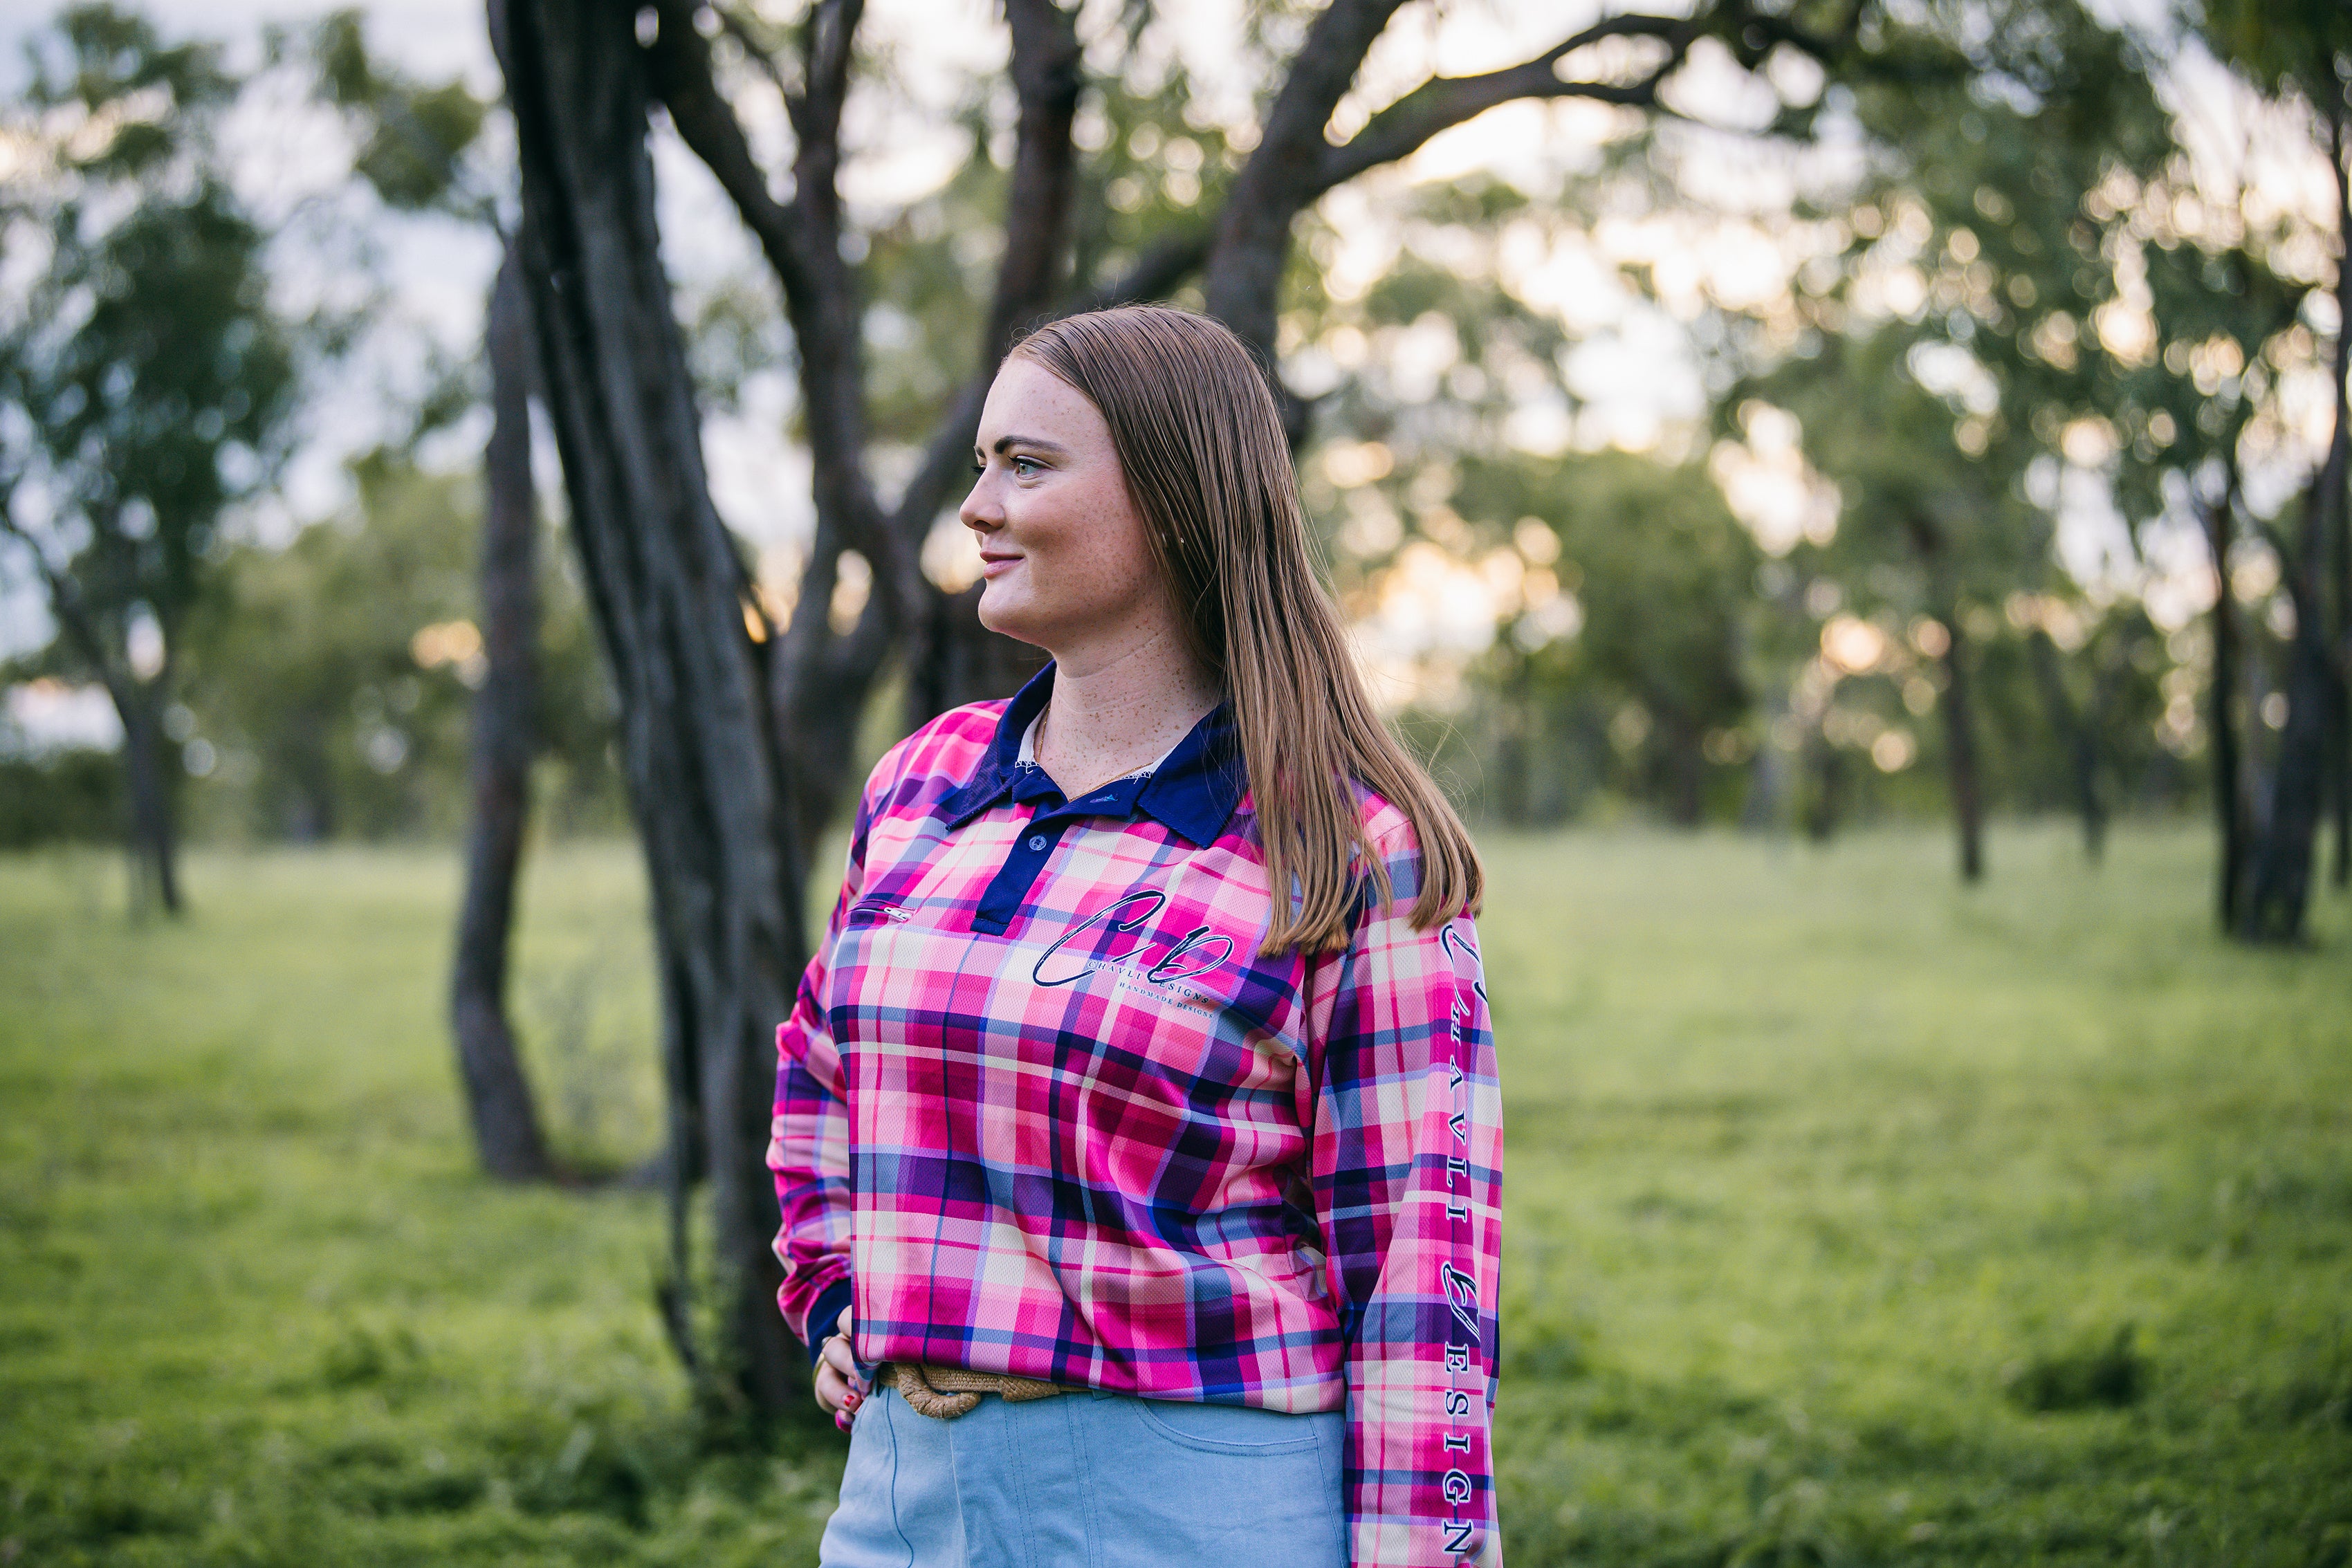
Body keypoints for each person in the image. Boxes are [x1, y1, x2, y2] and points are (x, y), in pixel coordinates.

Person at [769, 305, 1503, 1568]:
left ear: (1170, 500)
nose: (978, 507)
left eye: (1028, 465)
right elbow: (820, 1073)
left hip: (1194, 1508)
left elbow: (1419, 1286)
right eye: (981, 462)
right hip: (899, 1500)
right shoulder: (922, 786)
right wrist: (838, 1288)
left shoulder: (1347, 852)